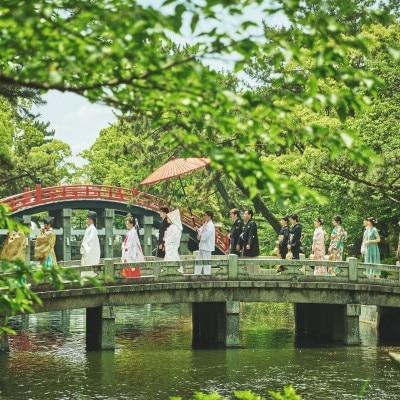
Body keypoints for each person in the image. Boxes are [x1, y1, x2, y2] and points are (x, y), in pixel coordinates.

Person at [195, 210, 216, 275]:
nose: (204, 217)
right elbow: (200, 231)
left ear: (209, 217)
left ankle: (207, 274)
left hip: (207, 246)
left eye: (205, 216)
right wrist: (197, 230)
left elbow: (207, 235)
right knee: (199, 261)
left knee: (206, 261)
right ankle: (197, 274)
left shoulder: (210, 225)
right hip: (202, 246)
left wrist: (201, 236)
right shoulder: (205, 224)